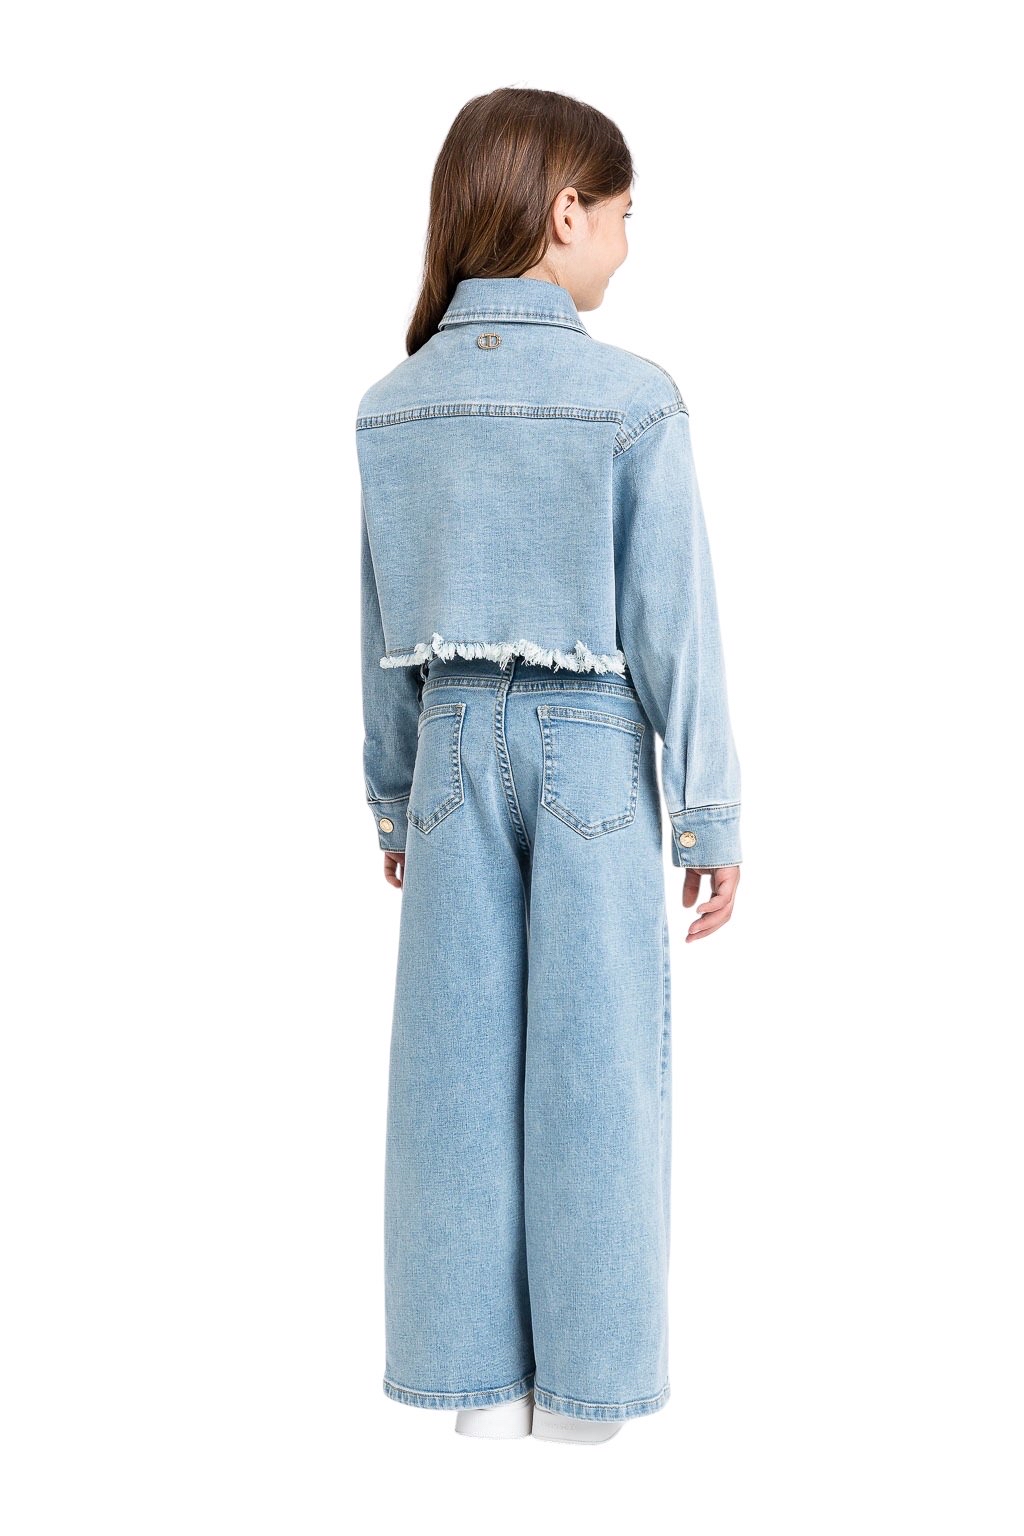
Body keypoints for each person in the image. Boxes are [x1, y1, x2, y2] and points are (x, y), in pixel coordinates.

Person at [356, 86, 742, 1445]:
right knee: (596, 1086)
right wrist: (709, 816)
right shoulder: (632, 400)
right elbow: (674, 624)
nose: (628, 243)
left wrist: (393, 798)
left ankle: (476, 1400)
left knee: (452, 1085)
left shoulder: (395, 406)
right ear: (565, 212)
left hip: (451, 753)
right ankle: (585, 1413)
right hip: (593, 761)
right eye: (623, 214)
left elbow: (383, 633)